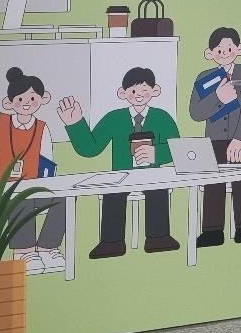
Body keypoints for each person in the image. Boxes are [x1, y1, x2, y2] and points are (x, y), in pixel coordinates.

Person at [57, 67, 181, 259]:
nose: (139, 95)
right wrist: (75, 124)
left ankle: (159, 238)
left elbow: (177, 149)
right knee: (113, 193)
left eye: (144, 90)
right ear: (122, 93)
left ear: (155, 91)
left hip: (153, 175)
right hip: (121, 175)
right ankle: (111, 242)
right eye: (133, 91)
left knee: (158, 190)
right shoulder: (114, 118)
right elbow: (90, 148)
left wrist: (156, 153)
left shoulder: (162, 117)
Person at [0, 35, 65, 275]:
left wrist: (49, 185)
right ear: (9, 102)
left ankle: (48, 248)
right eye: (21, 98)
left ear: (42, 99)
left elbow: (48, 164)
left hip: (33, 186)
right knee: (21, 198)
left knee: (62, 199)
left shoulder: (43, 129)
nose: (27, 103)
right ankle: (23, 251)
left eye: (32, 98)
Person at [189, 26, 241, 247]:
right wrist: (218, 98)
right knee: (213, 183)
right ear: (209, 53)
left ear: (239, 49)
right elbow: (196, 113)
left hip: (239, 141)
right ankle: (212, 231)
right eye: (219, 50)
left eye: (229, 48)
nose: (224, 53)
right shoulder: (204, 78)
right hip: (213, 141)